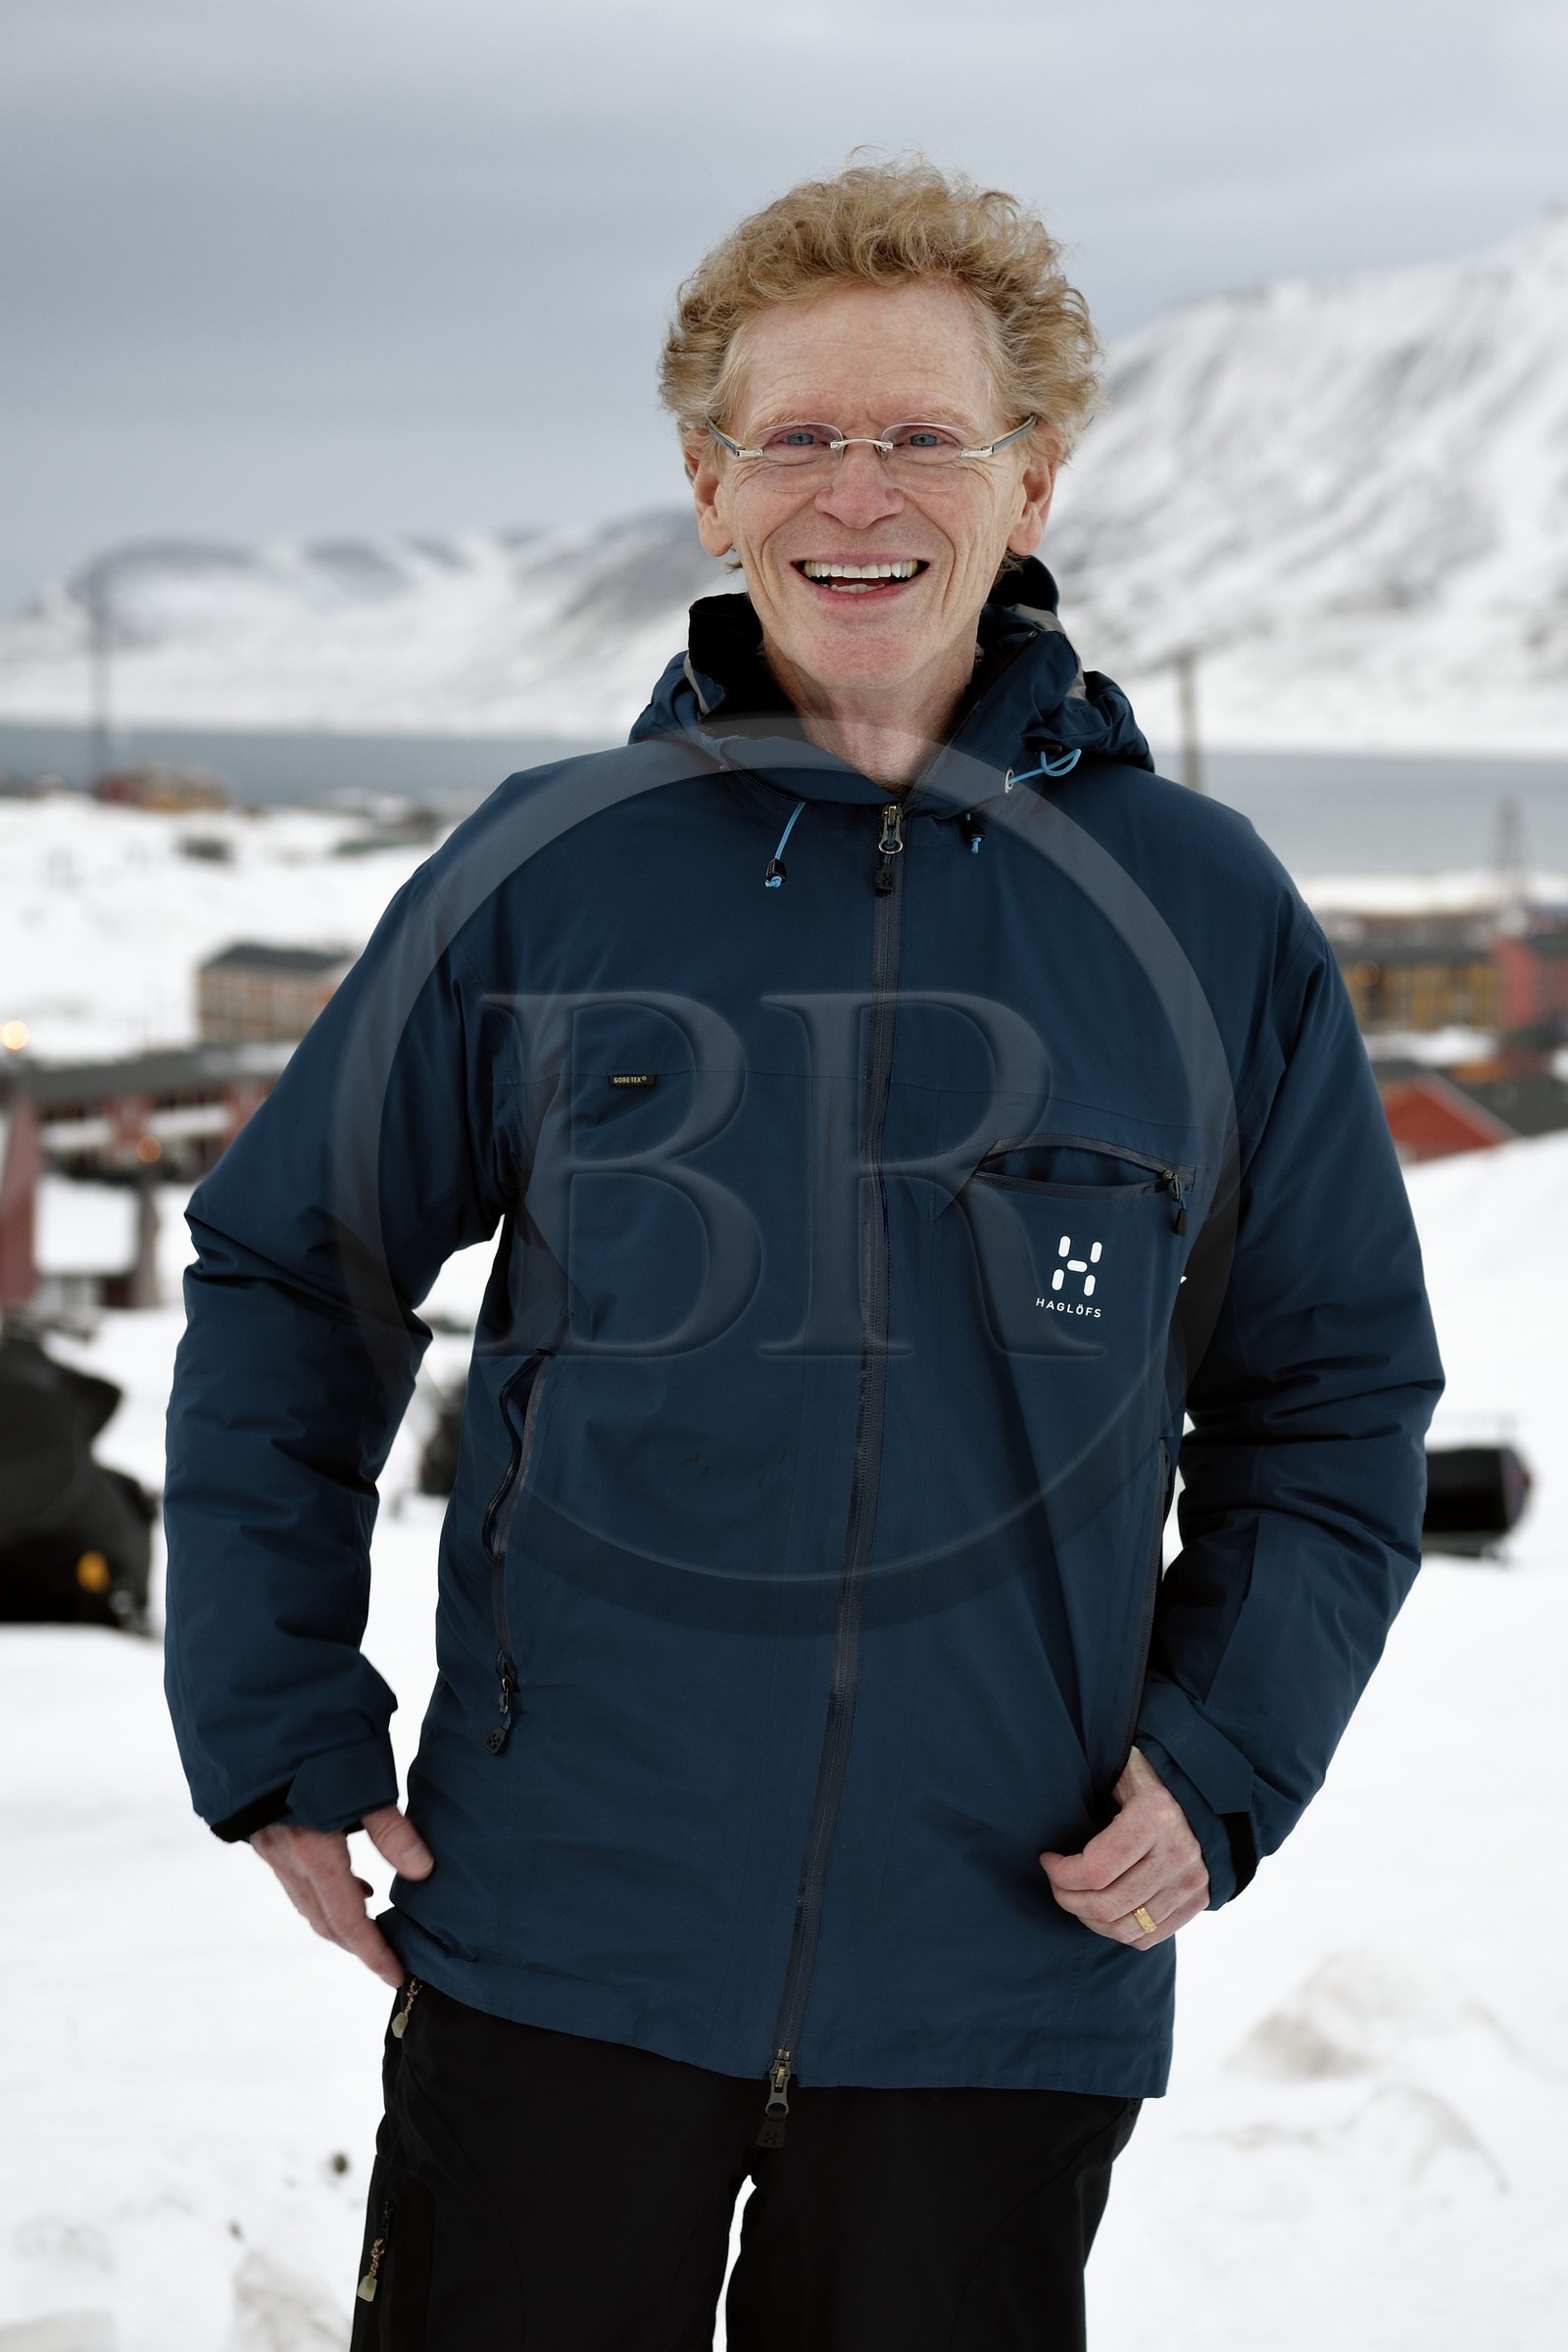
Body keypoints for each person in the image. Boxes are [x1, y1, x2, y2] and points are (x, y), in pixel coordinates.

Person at [164, 160, 1443, 2349]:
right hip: (559, 1948)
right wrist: (274, 1710)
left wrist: (1222, 1763)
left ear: (1031, 480)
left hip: (996, 1981)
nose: (860, 493)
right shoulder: (545, 877)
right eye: (798, 436)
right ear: (703, 484)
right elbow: (298, 1272)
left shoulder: (1201, 916)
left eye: (925, 435)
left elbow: (1326, 1404)